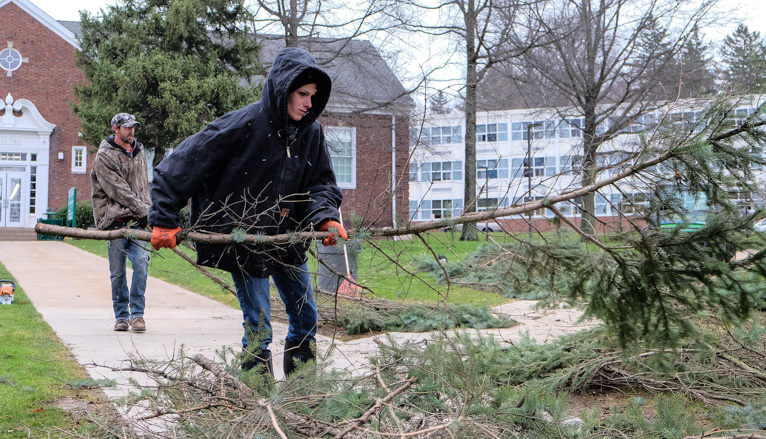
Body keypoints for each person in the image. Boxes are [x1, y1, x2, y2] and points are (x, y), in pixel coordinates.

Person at [148, 47, 347, 377]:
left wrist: (325, 216)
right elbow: (178, 167)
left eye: (313, 95)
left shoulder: (311, 134)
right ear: (282, 88)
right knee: (260, 327)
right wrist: (164, 219)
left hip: (289, 240)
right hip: (245, 240)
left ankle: (305, 395)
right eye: (302, 94)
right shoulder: (241, 125)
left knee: (306, 318)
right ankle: (257, 408)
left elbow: (321, 182)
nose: (309, 103)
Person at [91, 113, 152, 333]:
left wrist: (147, 211)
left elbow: (143, 185)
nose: (132, 131)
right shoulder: (104, 156)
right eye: (127, 128)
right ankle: (121, 316)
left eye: (134, 127)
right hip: (115, 222)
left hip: (138, 222)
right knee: (117, 272)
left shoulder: (140, 150)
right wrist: (143, 210)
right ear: (115, 129)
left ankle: (137, 315)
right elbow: (118, 190)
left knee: (141, 265)